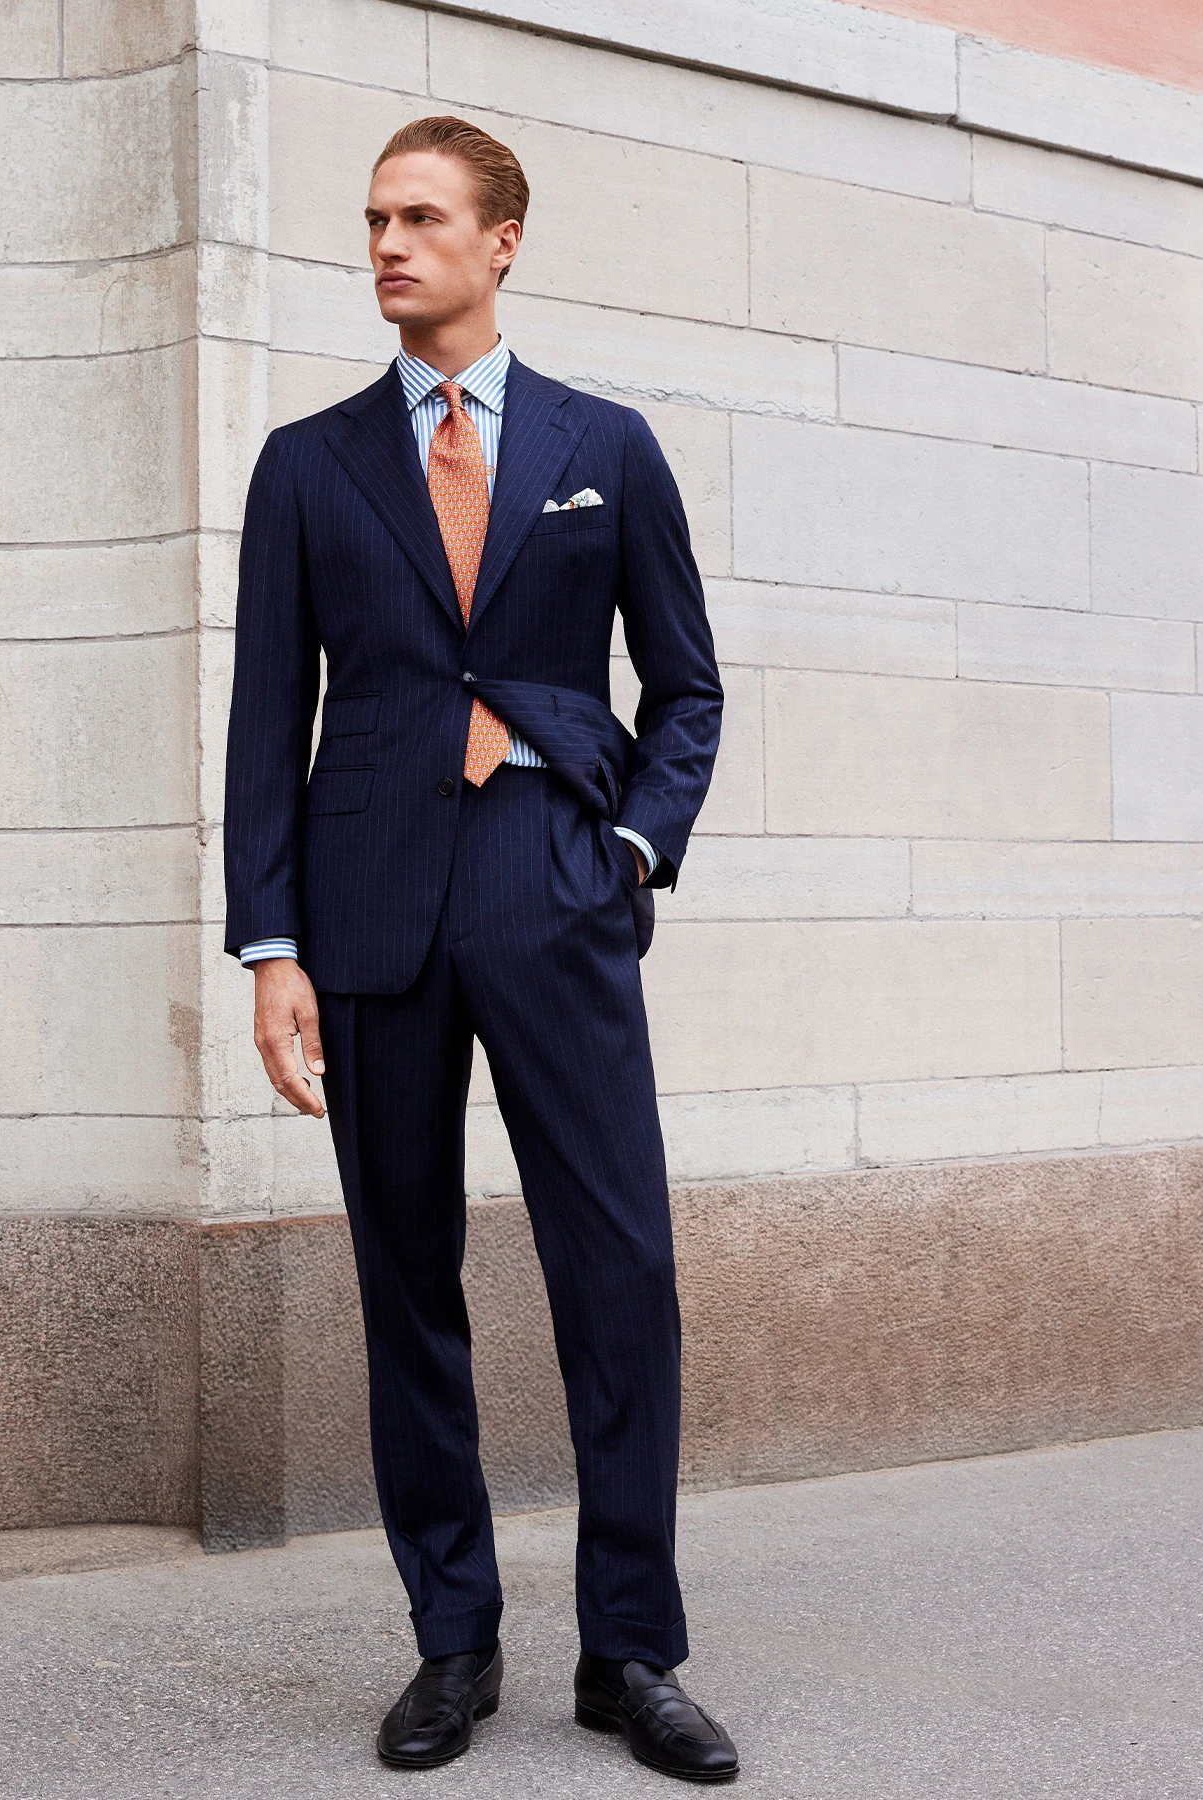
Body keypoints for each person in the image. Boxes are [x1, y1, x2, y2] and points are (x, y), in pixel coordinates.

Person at [223, 114, 734, 1783]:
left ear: (504, 239)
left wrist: (635, 852)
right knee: (405, 1280)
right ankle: (453, 1641)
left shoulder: (609, 446)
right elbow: (262, 724)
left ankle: (631, 1652)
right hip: (367, 911)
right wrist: (271, 944)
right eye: (372, 217)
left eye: (422, 216)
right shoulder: (309, 464)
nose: (388, 243)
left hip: (551, 881)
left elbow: (688, 687)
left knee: (623, 1272)